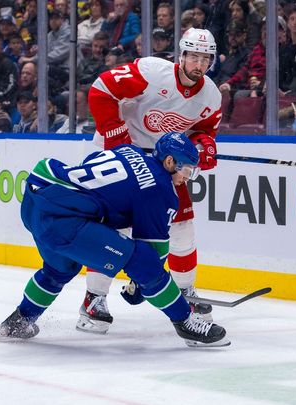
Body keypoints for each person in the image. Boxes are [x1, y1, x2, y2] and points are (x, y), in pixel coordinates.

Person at [0, 132, 229, 347]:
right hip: (62, 220)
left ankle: (18, 321)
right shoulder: (161, 190)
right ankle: (186, 322)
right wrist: (142, 284)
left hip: (37, 196)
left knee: (59, 268)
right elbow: (153, 253)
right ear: (169, 162)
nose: (187, 178)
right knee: (143, 261)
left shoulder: (130, 150)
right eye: (187, 170)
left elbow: (94, 162)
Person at [79, 28, 223, 334]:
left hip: (165, 163)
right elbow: (100, 90)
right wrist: (116, 133)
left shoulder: (211, 94)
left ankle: (185, 294)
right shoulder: (150, 72)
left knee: (183, 227)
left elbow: (203, 129)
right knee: (114, 228)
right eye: (193, 56)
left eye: (205, 59)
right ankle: (94, 298)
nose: (198, 64)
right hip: (122, 155)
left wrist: (204, 145)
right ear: (181, 55)